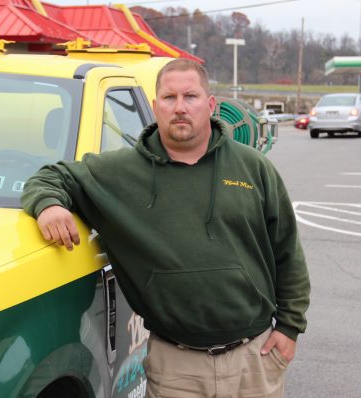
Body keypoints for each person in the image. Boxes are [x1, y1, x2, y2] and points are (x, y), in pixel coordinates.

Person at [21, 58, 310, 397]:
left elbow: (287, 252)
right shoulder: (121, 173)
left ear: (211, 104)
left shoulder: (253, 168)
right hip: (176, 366)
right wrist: (49, 206)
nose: (180, 108)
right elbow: (51, 177)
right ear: (156, 106)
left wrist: (289, 328)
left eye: (191, 96)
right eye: (169, 98)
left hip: (254, 357)